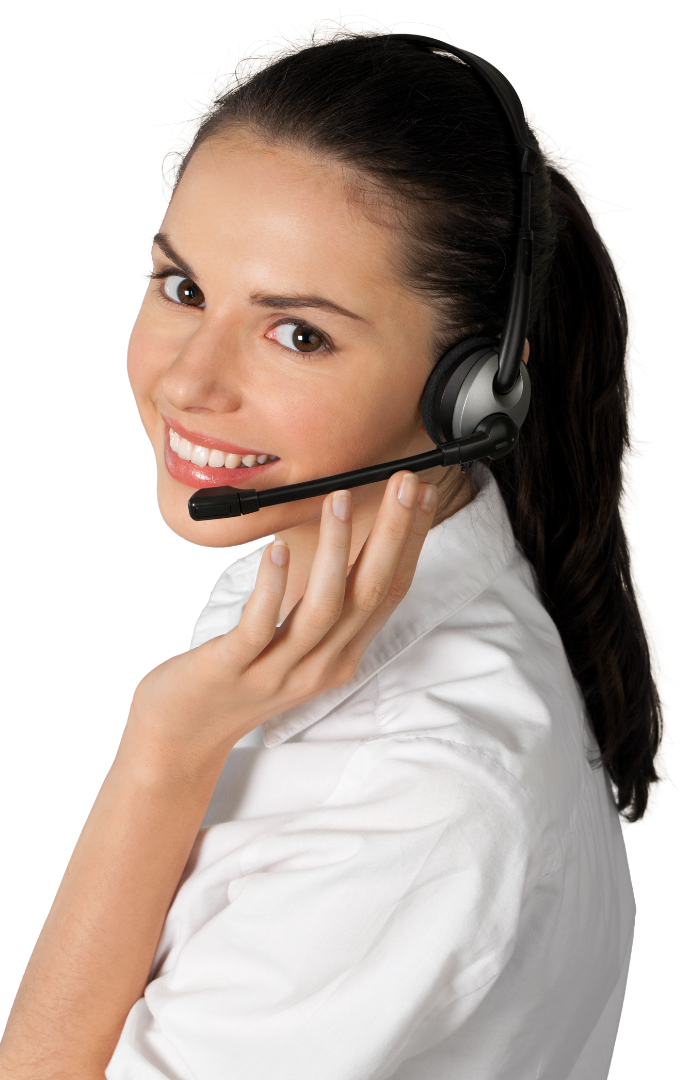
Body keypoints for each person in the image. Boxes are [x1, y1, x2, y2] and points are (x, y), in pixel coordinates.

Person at [2, 17, 673, 1079]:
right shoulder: (300, 587)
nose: (187, 382)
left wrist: (161, 748)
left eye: (296, 332)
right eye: (182, 288)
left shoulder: (414, 799)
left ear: (472, 394)